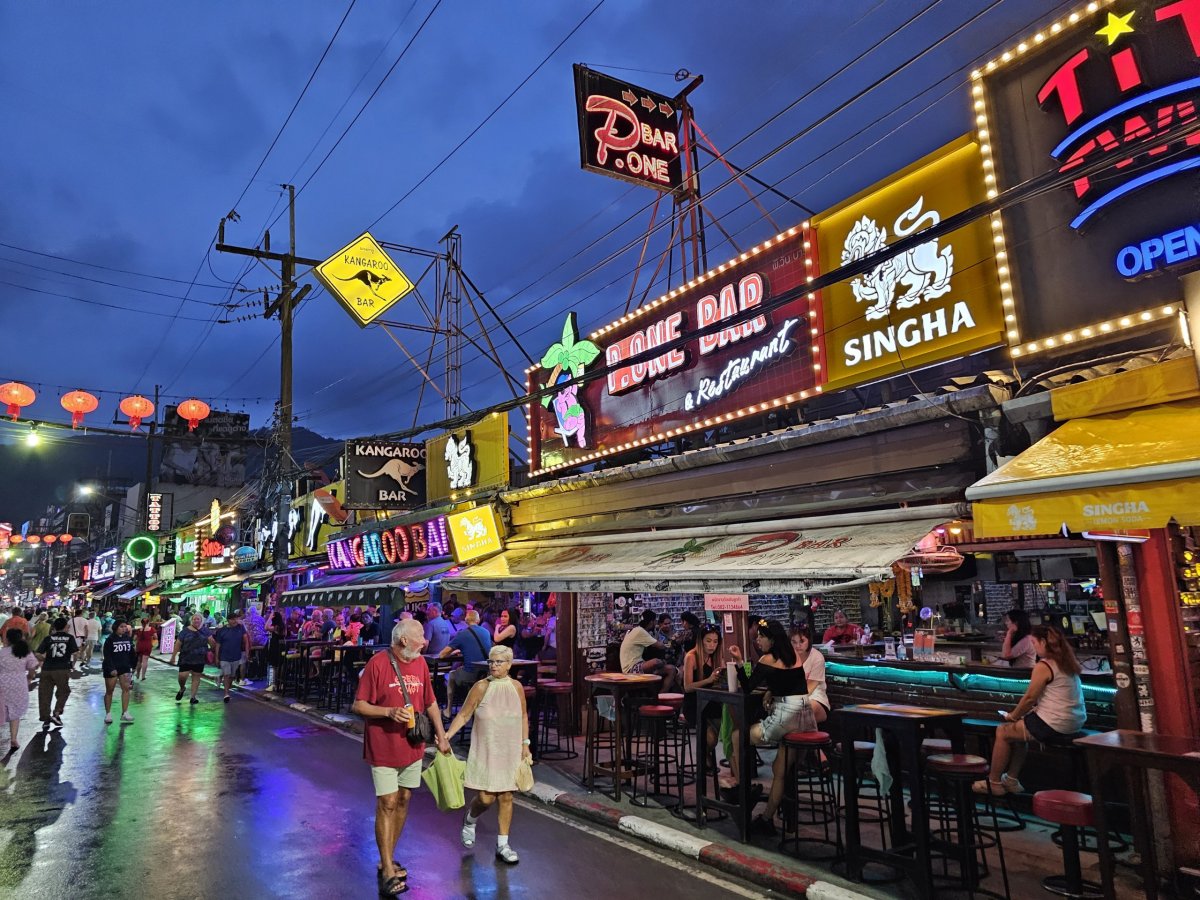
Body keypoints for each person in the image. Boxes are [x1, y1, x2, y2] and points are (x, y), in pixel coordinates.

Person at [351, 619, 451, 897]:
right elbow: (358, 705)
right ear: (404, 640)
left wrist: (442, 736)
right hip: (383, 746)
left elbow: (430, 702)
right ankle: (386, 868)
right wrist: (388, 713)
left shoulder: (419, 663)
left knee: (405, 798)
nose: (425, 641)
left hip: (412, 744)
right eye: (420, 636)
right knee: (387, 802)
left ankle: (389, 856)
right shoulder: (378, 664)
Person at [975, 625, 1087, 796]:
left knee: (1003, 731)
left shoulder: (1045, 665)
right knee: (1019, 732)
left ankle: (994, 782)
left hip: (1054, 723)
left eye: (1034, 643)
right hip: (1075, 722)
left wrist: (1013, 715)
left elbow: (1029, 698)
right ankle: (1011, 780)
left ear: (1043, 642)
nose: (1034, 647)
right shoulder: (1067, 661)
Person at [445, 644, 530, 865]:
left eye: (499, 662)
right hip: (487, 747)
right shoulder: (481, 687)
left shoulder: (517, 687)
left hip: (509, 747)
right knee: (486, 797)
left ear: (509, 665)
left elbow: (523, 716)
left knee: (506, 796)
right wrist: (447, 736)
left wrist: (525, 744)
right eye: (491, 661)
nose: (494, 665)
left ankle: (503, 844)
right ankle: (470, 819)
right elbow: (464, 715)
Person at [728, 619, 812, 833]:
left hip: (786, 716)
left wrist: (739, 661)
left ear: (772, 639)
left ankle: (742, 788)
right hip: (805, 715)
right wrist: (771, 691)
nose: (757, 641)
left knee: (738, 737)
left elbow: (747, 685)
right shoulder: (794, 656)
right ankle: (766, 819)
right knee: (779, 770)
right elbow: (790, 684)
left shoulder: (767, 659)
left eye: (761, 637)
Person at [682, 622, 725, 762]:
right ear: (701, 641)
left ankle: (707, 756)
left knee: (727, 728)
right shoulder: (691, 656)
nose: (712, 645)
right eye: (708, 641)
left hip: (711, 702)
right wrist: (709, 680)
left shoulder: (716, 657)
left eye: (715, 641)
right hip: (694, 704)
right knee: (711, 739)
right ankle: (704, 758)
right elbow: (687, 687)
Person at [440, 609, 494, 706]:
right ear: (478, 620)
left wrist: (455, 651)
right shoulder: (486, 632)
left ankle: (448, 710)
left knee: (452, 674)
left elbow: (442, 654)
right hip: (485, 674)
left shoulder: (462, 634)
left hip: (470, 674)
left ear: (466, 620)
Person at [618, 610, 678, 691]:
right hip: (631, 668)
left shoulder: (637, 630)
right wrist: (672, 641)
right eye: (654, 621)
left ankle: (661, 696)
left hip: (635, 665)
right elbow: (661, 646)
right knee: (656, 662)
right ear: (651, 622)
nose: (655, 624)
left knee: (671, 669)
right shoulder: (640, 631)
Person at [0, 627, 38, 750]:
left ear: (7, 639)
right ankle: (14, 739)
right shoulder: (25, 652)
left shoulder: (2, 653)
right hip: (19, 684)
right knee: (15, 713)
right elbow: (33, 667)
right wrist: (30, 678)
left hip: (2, 684)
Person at [36, 617, 78, 729]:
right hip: (62, 668)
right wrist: (72, 664)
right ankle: (57, 712)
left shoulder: (48, 638)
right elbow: (75, 653)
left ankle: (45, 717)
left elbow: (38, 653)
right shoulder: (69, 638)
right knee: (64, 691)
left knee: (45, 694)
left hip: (47, 669)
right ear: (65, 627)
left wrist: (45, 659)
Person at [171, 614, 214, 704]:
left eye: (198, 619)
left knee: (196, 677)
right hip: (186, 657)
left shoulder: (205, 631)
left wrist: (213, 652)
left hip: (199, 658)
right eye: (194, 619)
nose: (196, 621)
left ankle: (193, 697)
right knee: (182, 676)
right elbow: (178, 644)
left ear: (201, 620)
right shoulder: (185, 631)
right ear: (192, 620)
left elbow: (212, 642)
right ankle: (182, 688)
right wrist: (173, 656)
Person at [790, 627, 829, 726]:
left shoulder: (817, 657)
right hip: (794, 700)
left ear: (809, 641)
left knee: (796, 714)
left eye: (802, 641)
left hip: (817, 700)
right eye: (794, 642)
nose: (798, 645)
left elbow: (809, 689)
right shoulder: (788, 658)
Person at [101, 620, 137, 725]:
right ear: (116, 627)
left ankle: (125, 712)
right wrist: (111, 668)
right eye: (121, 626)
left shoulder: (127, 638)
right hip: (111, 669)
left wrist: (133, 666)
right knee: (109, 690)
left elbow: (132, 653)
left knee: (126, 689)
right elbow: (107, 656)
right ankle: (108, 713)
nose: (124, 629)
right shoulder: (110, 640)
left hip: (125, 668)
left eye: (125, 627)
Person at [213, 610, 249, 703]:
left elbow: (246, 640)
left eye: (236, 619)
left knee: (232, 675)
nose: (235, 621)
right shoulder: (222, 630)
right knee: (227, 674)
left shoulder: (241, 628)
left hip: (236, 656)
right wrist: (217, 657)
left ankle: (227, 689)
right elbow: (218, 645)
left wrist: (247, 652)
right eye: (232, 619)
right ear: (228, 620)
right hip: (224, 656)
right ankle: (226, 694)